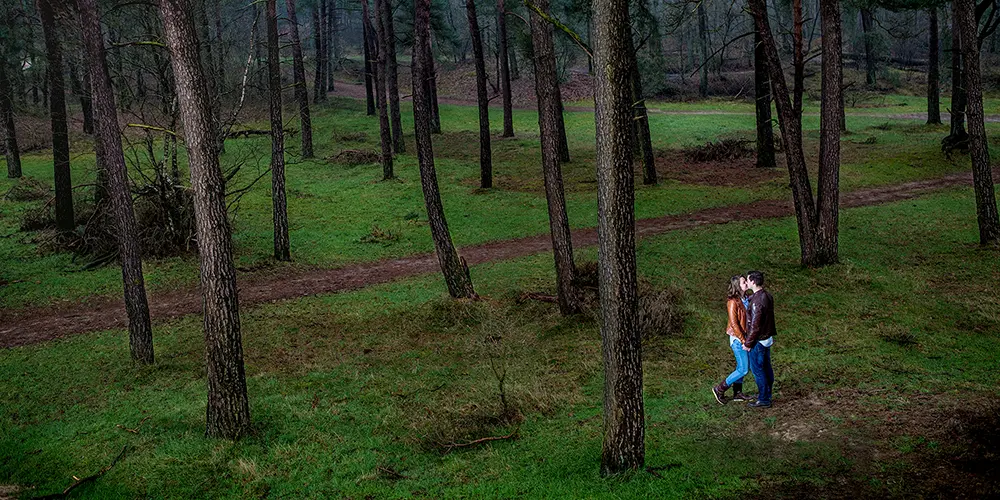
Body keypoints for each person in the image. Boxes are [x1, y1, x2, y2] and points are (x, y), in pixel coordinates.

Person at [712, 276, 753, 404]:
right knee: (743, 369)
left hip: (744, 337)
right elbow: (734, 324)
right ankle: (720, 388)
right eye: (743, 282)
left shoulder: (745, 298)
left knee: (741, 366)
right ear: (737, 286)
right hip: (737, 339)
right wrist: (743, 340)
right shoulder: (732, 302)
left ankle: (737, 393)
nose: (746, 283)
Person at [742, 270, 775, 408]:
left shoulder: (756, 301)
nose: (747, 282)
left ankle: (763, 399)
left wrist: (748, 343)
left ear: (753, 282)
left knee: (757, 369)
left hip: (758, 340)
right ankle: (766, 393)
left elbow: (755, 326)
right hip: (767, 337)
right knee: (767, 367)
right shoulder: (766, 295)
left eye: (748, 280)